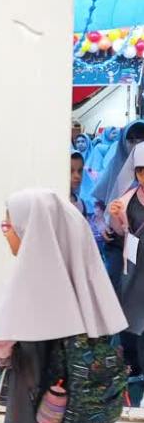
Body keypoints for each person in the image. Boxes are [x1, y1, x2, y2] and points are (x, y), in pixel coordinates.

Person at [0, 189, 127, 423]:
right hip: (68, 413)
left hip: (33, 410)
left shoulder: (31, 283)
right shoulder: (76, 280)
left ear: (31, 232)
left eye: (8, 226)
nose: (6, 233)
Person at [93, 120, 144, 294]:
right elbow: (99, 201)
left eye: (141, 139)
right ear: (123, 142)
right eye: (131, 140)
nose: (137, 144)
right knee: (114, 287)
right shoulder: (115, 165)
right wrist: (101, 223)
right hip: (117, 242)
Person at [108, 143, 144, 376]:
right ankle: (133, 363)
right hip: (135, 262)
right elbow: (120, 229)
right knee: (132, 309)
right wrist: (114, 216)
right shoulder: (128, 199)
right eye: (140, 171)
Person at [70, 151, 86, 215]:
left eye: (80, 171)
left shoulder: (81, 204)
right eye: (71, 171)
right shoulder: (53, 202)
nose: (77, 176)